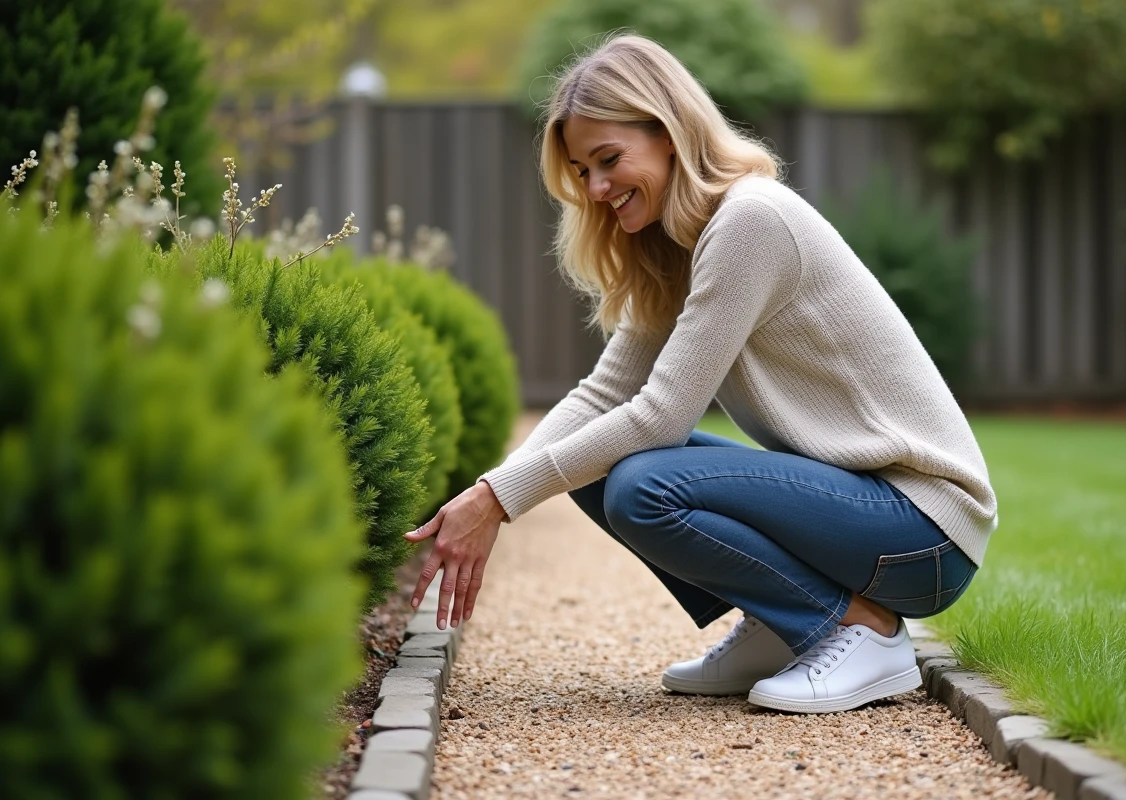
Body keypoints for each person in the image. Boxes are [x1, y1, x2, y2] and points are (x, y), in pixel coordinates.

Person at [405, 33, 998, 714]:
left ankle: (855, 629)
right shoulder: (674, 247)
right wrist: (492, 488)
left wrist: (496, 502)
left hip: (922, 531)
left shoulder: (750, 220)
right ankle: (782, 622)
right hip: (863, 511)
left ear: (668, 134)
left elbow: (661, 418)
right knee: (596, 468)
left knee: (642, 485)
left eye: (609, 160)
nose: (596, 189)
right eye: (582, 170)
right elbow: (604, 396)